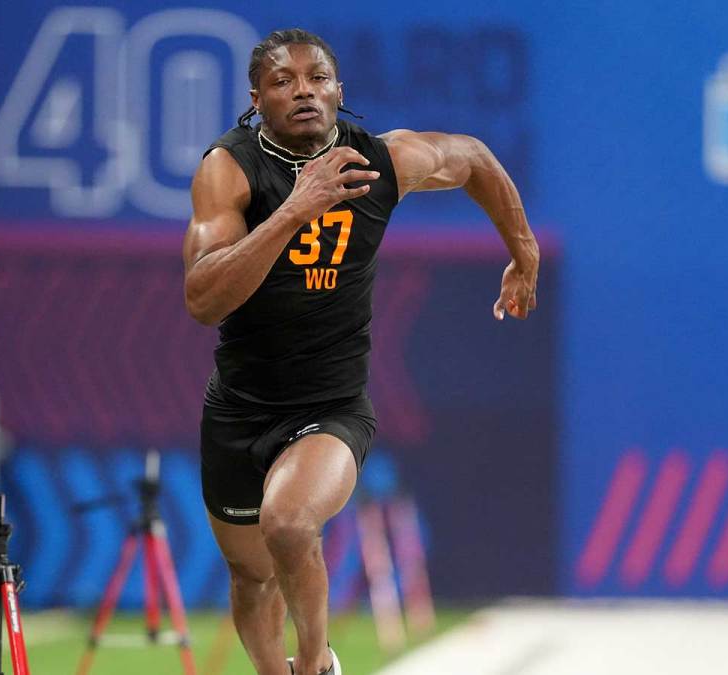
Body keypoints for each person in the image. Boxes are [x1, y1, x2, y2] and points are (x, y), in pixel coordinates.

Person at [183, 28, 539, 675]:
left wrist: (523, 249)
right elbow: (204, 298)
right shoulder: (228, 168)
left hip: (332, 407)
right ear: (256, 97)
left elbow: (474, 158)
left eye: (318, 77)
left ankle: (317, 664)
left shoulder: (378, 158)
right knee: (250, 577)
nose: (304, 91)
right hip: (239, 411)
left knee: (289, 524)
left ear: (339, 90)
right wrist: (296, 209)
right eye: (284, 81)